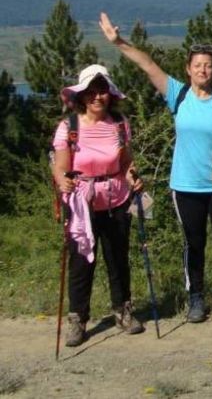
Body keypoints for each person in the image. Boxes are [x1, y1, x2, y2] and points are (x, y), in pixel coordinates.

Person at [99, 12, 212, 322]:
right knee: (193, 243)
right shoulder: (177, 94)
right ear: (188, 70)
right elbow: (148, 65)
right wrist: (118, 42)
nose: (203, 70)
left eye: (208, 65)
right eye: (198, 65)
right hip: (186, 185)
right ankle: (195, 297)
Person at [52, 64, 145, 347]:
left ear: (110, 94)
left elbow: (126, 161)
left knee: (118, 258)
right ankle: (78, 319)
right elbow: (60, 168)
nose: (97, 97)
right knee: (82, 262)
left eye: (102, 91)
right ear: (82, 96)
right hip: (82, 203)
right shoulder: (70, 127)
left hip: (116, 198)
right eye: (92, 92)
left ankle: (123, 311)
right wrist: (62, 182)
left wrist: (133, 178)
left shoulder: (119, 124)